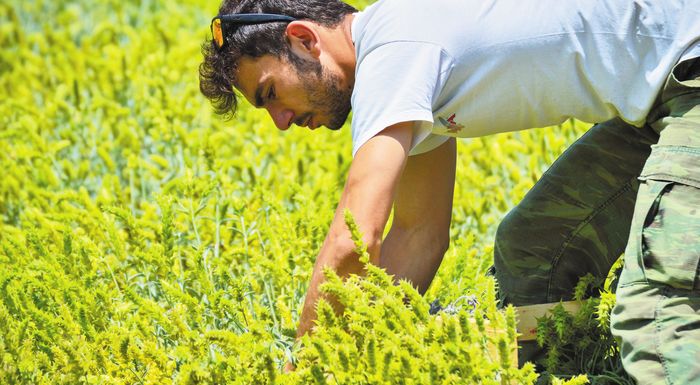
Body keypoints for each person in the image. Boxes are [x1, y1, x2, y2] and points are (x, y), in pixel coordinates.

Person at [199, 0, 700, 382]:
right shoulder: (405, 62)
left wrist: (306, 368)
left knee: (655, 315)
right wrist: (364, 349)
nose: (281, 122)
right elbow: (419, 232)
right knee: (536, 251)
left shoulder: (393, 53)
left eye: (270, 94)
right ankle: (582, 355)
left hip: (692, 75)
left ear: (305, 39)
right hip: (661, 102)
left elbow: (354, 239)